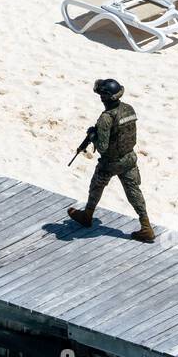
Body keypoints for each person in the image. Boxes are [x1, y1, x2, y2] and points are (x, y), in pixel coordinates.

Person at [65, 79, 156, 243]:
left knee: (96, 186)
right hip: (129, 158)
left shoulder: (106, 118)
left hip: (111, 163)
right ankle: (146, 226)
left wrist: (94, 136)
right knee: (134, 192)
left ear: (104, 97)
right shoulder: (128, 109)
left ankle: (87, 214)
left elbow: (103, 147)